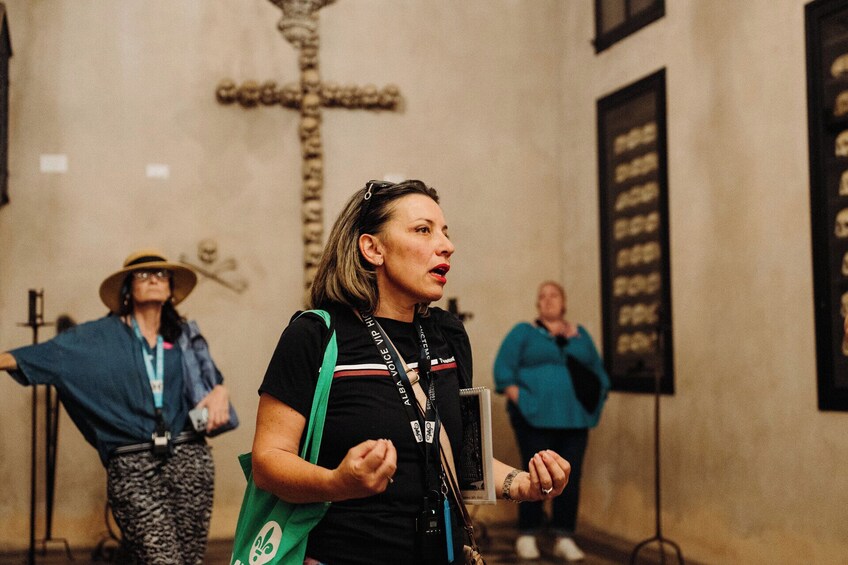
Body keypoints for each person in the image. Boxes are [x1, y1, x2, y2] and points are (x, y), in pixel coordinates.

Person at [253, 180, 573, 565]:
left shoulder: (448, 334)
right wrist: (337, 483)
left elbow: (461, 461)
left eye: (445, 233)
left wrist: (521, 483)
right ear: (373, 249)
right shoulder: (316, 334)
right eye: (424, 230)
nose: (446, 245)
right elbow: (268, 462)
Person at [0, 248, 233, 565]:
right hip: (132, 466)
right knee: (163, 560)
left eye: (160, 274)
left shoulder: (183, 336)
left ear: (170, 288)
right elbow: (30, 357)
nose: (153, 279)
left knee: (187, 559)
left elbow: (211, 383)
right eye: (142, 274)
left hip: (190, 459)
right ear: (127, 289)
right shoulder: (95, 337)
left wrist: (221, 391)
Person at [494, 281, 611, 562]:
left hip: (574, 420)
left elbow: (599, 373)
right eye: (542, 296)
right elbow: (503, 369)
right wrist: (522, 399)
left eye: (554, 295)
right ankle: (528, 533)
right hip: (534, 419)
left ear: (564, 302)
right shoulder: (524, 332)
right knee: (532, 475)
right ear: (538, 304)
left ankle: (564, 536)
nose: (548, 300)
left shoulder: (580, 336)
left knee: (571, 477)